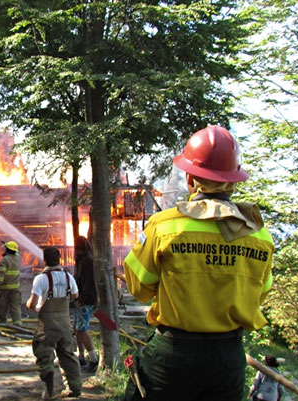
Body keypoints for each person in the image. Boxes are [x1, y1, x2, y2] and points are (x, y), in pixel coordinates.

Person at [122, 125, 275, 401]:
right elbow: (261, 292)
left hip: (173, 355)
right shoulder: (260, 235)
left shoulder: (163, 226)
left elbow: (139, 287)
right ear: (233, 181)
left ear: (190, 179)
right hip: (227, 359)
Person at [26, 247, 82, 400]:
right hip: (64, 323)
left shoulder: (41, 279)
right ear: (60, 259)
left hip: (47, 325)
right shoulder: (68, 277)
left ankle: (49, 388)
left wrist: (29, 304)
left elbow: (33, 304)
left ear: (44, 260)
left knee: (44, 354)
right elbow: (75, 296)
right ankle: (76, 387)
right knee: (68, 355)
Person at [73, 236, 99, 374]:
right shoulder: (82, 261)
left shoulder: (87, 262)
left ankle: (93, 359)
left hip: (85, 301)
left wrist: (81, 300)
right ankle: (81, 356)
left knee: (82, 330)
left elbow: (88, 284)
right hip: (80, 300)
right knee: (78, 329)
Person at [0, 240, 22, 326]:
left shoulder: (5, 260)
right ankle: (17, 323)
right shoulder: (18, 259)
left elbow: (1, 275)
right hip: (16, 288)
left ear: (7, 249)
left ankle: (2, 322)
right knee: (15, 305)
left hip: (5, 288)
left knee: (2, 305)